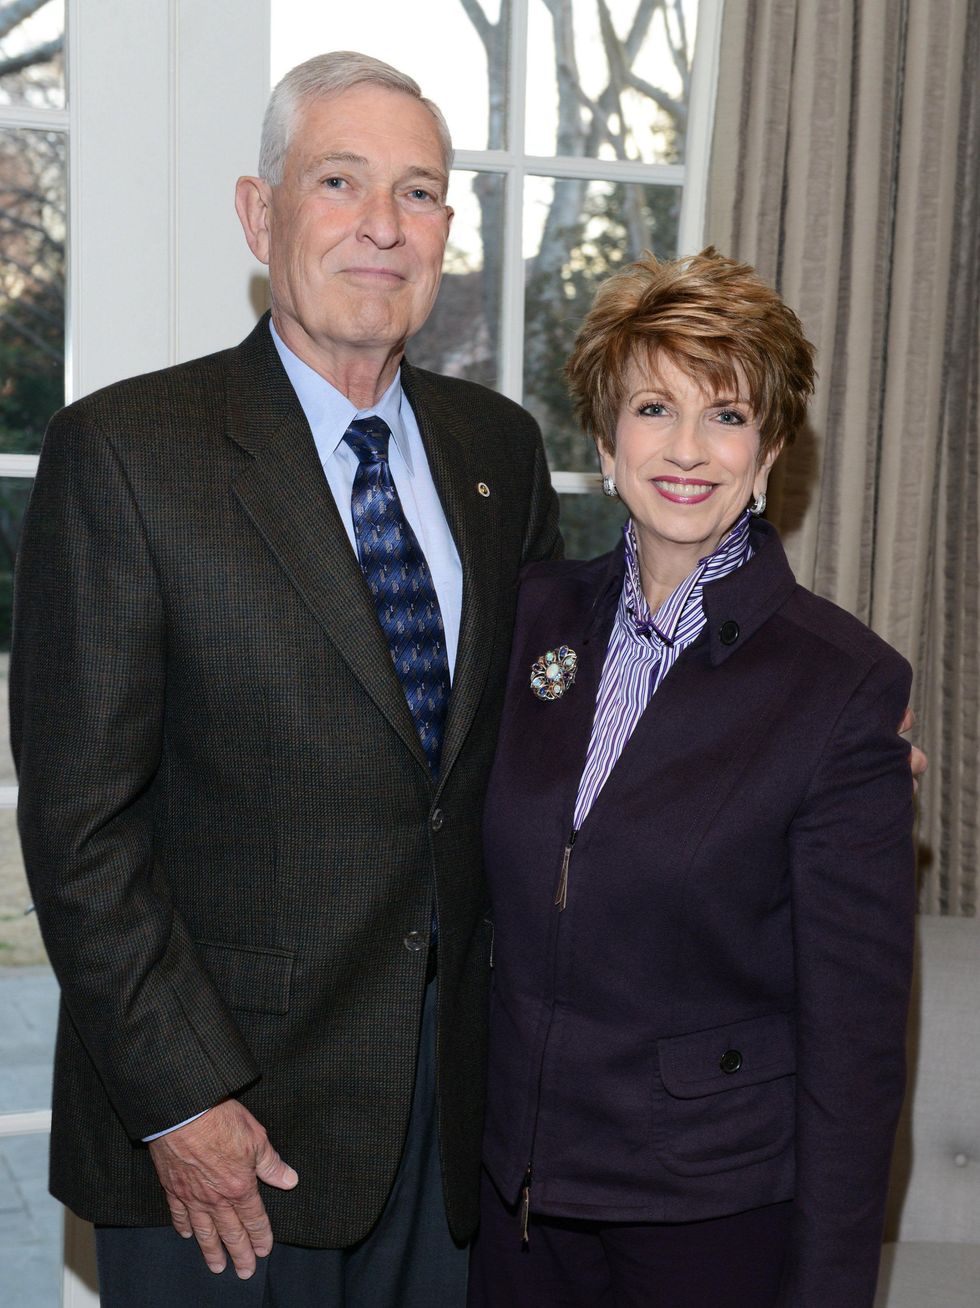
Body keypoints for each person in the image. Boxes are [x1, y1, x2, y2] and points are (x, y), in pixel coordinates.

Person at [10, 52, 559, 1308]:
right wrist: (180, 1098)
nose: (382, 225)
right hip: (226, 1125)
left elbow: (557, 711)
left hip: (453, 1109)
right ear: (260, 216)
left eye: (418, 193)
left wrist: (795, 737)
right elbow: (80, 827)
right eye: (339, 181)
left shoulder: (499, 451)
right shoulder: (128, 455)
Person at [469, 249, 917, 1308]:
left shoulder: (840, 686)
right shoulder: (529, 618)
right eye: (652, 407)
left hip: (705, 1220)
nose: (683, 450)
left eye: (724, 416)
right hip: (516, 1206)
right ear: (602, 437)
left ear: (767, 452)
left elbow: (853, 1046)